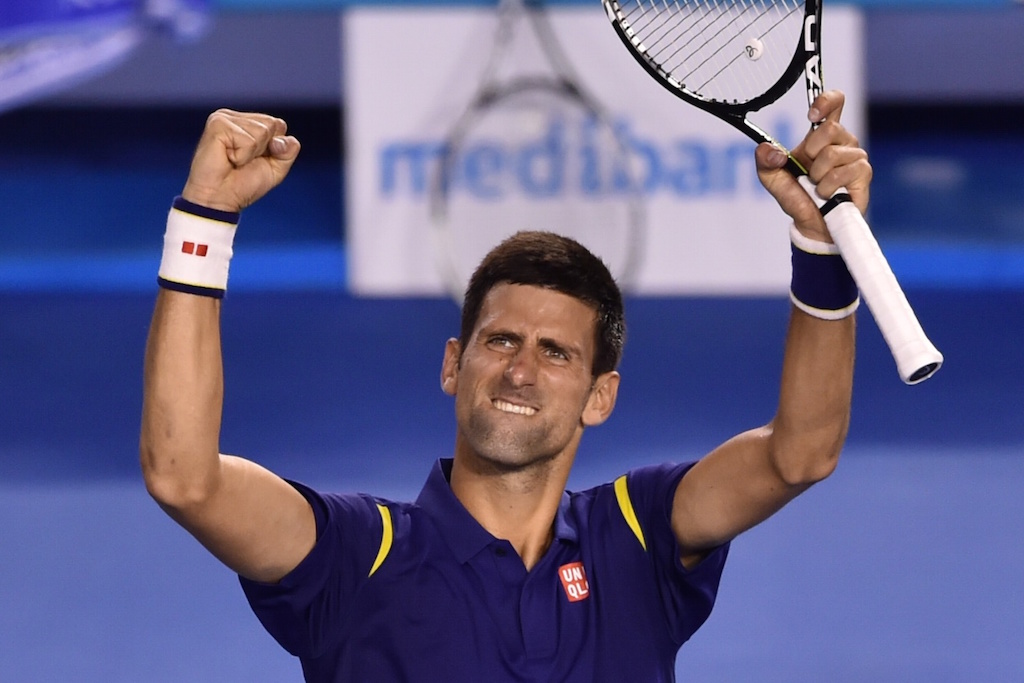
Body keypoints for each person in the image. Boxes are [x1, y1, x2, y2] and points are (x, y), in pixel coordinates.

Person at [140, 90, 870, 682]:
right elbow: (184, 478)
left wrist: (821, 249)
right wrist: (205, 221)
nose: (520, 370)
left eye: (555, 353)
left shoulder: (638, 535)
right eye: (501, 341)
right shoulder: (357, 553)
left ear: (600, 395)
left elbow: (799, 453)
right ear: (454, 364)